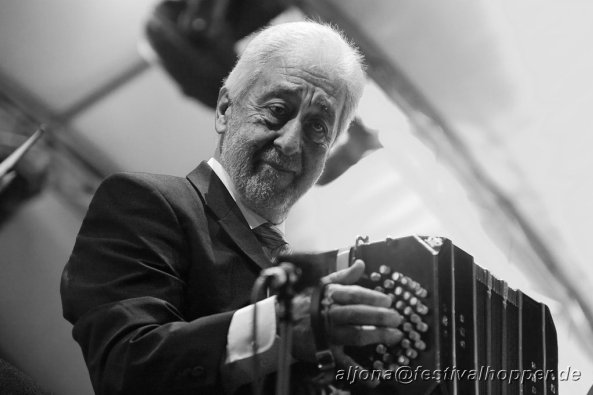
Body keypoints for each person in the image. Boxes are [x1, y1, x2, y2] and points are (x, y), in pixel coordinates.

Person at [60, 21, 403, 395]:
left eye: (318, 128)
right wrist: (284, 328)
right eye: (277, 110)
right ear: (225, 108)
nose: (291, 144)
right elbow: (128, 368)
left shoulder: (312, 280)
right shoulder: (144, 202)